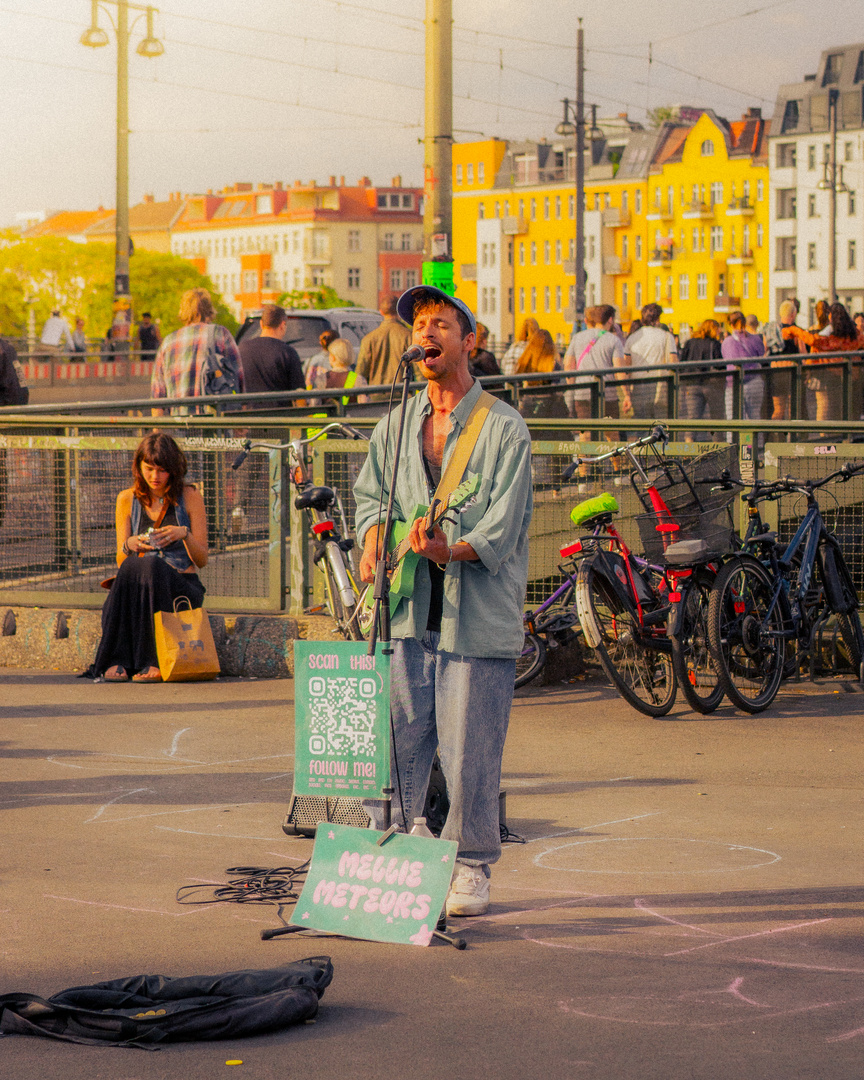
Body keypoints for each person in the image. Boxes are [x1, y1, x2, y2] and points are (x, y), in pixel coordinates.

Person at [353, 283, 532, 918]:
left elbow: (502, 530)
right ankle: (404, 844)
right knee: (399, 740)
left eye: (440, 325)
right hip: (406, 611)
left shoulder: (505, 428)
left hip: (472, 620)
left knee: (469, 752)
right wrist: (374, 537)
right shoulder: (396, 425)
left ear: (469, 341)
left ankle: (472, 862)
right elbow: (371, 493)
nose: (425, 335)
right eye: (419, 326)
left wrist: (446, 551)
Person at [87, 433, 208, 683]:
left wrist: (183, 534)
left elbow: (202, 559)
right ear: (139, 467)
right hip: (140, 584)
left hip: (180, 586)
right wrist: (130, 544)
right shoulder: (126, 499)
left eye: (162, 470)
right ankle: (118, 660)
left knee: (153, 564)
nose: (155, 477)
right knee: (134, 565)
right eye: (149, 469)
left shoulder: (190, 496)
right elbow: (122, 560)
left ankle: (152, 660)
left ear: (174, 470)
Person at [150, 289, 243, 414]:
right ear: (209, 309)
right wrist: (241, 413)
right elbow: (238, 376)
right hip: (216, 423)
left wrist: (157, 429)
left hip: (182, 423)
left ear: (183, 310)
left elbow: (158, 393)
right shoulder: (220, 334)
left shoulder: (168, 342)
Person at [782, 302, 864, 422]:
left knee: (831, 410)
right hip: (854, 378)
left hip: (834, 378)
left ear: (830, 317)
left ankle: (832, 437)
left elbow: (814, 340)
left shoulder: (830, 340)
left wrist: (794, 330)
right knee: (850, 411)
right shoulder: (855, 336)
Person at [563, 304, 628, 438]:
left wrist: (572, 388)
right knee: (612, 435)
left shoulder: (577, 337)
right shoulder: (614, 340)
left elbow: (569, 364)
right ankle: (615, 460)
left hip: (582, 393)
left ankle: (585, 460)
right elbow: (620, 370)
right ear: (610, 320)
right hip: (607, 394)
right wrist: (627, 394)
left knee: (585, 435)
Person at [238, 303, 304, 407]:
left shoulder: (241, 349)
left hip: (249, 417)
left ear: (261, 324)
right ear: (282, 325)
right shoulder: (287, 352)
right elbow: (299, 394)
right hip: (280, 417)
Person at [624, 303, 677, 419]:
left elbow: (626, 367)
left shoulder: (632, 338)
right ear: (658, 318)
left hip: (637, 385)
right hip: (661, 385)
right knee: (660, 424)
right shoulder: (667, 336)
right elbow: (674, 362)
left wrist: (627, 394)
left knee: (641, 423)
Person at [515, 329, 568, 441]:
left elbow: (516, 385)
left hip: (527, 407)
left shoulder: (524, 361)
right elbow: (559, 388)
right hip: (550, 409)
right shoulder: (553, 363)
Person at [355, 294, 412, 395]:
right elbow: (420, 372)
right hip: (402, 396)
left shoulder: (369, 338)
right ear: (399, 311)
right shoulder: (408, 336)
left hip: (376, 395)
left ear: (381, 312)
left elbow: (361, 372)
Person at [677, 320, 724, 440]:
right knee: (716, 416)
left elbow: (682, 361)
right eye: (718, 328)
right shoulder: (714, 343)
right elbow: (720, 365)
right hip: (711, 384)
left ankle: (689, 444)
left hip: (691, 383)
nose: (720, 331)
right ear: (713, 329)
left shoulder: (689, 342)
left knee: (693, 416)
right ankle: (718, 445)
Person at [721, 310, 765, 422]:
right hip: (754, 381)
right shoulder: (755, 339)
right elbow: (762, 353)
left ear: (731, 324)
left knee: (733, 420)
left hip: (734, 384)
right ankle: (755, 440)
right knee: (755, 419)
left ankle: (735, 440)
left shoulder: (727, 342)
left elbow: (726, 358)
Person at [762, 299, 801, 421]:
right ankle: (792, 437)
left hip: (775, 370)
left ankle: (775, 436)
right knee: (792, 409)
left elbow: (765, 350)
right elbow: (803, 352)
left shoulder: (771, 331)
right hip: (792, 371)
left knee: (778, 409)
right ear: (793, 314)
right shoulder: (796, 331)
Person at [309, 337, 368, 405]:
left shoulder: (321, 379)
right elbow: (364, 406)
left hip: (326, 415)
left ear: (333, 357)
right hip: (351, 415)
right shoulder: (358, 379)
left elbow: (314, 404)